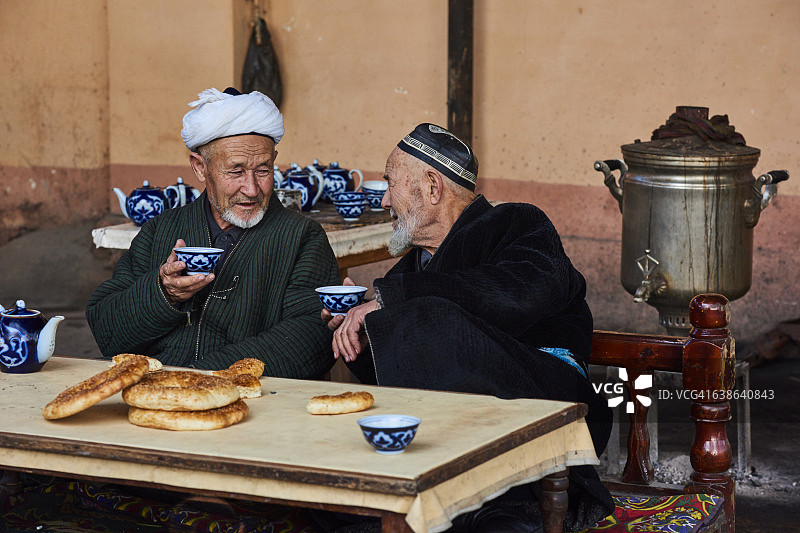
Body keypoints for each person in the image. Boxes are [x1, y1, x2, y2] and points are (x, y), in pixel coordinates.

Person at [324, 123, 614, 532]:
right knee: (328, 505)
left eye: (391, 183)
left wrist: (392, 302)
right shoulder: (411, 268)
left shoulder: (517, 222)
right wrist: (355, 327)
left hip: (549, 399)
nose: (385, 198)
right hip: (456, 431)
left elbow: (520, 292)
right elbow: (404, 373)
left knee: (428, 317)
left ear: (431, 186)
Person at [86, 87, 340, 377]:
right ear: (200, 168)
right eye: (236, 171)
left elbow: (310, 337)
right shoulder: (161, 229)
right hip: (152, 391)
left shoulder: (301, 237)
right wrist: (163, 293)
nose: (252, 189)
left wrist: (199, 376)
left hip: (248, 398)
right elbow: (105, 327)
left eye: (263, 170)